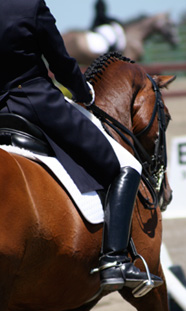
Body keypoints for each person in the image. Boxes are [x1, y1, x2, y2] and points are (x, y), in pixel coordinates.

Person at [0, 0, 162, 294]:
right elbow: (59, 60)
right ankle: (115, 260)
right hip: (34, 103)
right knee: (126, 166)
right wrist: (83, 90)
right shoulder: (28, 5)